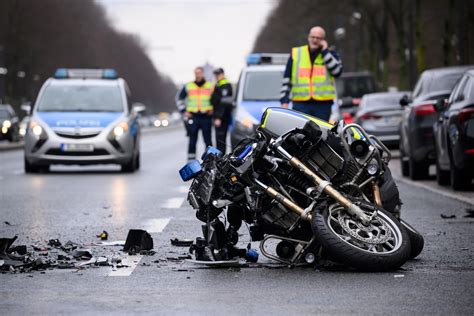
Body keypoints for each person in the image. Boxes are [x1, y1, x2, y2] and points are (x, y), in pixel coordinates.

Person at [280, 26, 343, 121]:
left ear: (323, 40)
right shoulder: (296, 53)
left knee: (321, 134)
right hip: (301, 104)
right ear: (308, 37)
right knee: (300, 134)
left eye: (318, 38)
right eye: (313, 37)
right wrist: (284, 101)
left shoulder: (330, 54)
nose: (315, 40)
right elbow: (287, 79)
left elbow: (337, 72)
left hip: (323, 105)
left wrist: (325, 52)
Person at [177, 67, 214, 160]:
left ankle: (210, 161)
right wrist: (184, 111)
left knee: (208, 141)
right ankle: (191, 162)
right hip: (193, 116)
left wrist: (213, 109)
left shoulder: (210, 86)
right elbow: (179, 99)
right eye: (196, 73)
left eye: (200, 73)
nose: (198, 75)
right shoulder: (189, 86)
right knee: (192, 140)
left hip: (206, 116)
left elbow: (216, 100)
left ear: (203, 73)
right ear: (194, 74)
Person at [211, 68, 233, 154]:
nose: (216, 76)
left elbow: (224, 104)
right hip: (219, 116)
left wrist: (218, 117)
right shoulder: (218, 85)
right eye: (216, 74)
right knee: (219, 140)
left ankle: (221, 161)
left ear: (223, 74)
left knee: (220, 140)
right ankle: (220, 159)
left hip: (222, 117)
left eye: (218, 74)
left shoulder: (225, 86)